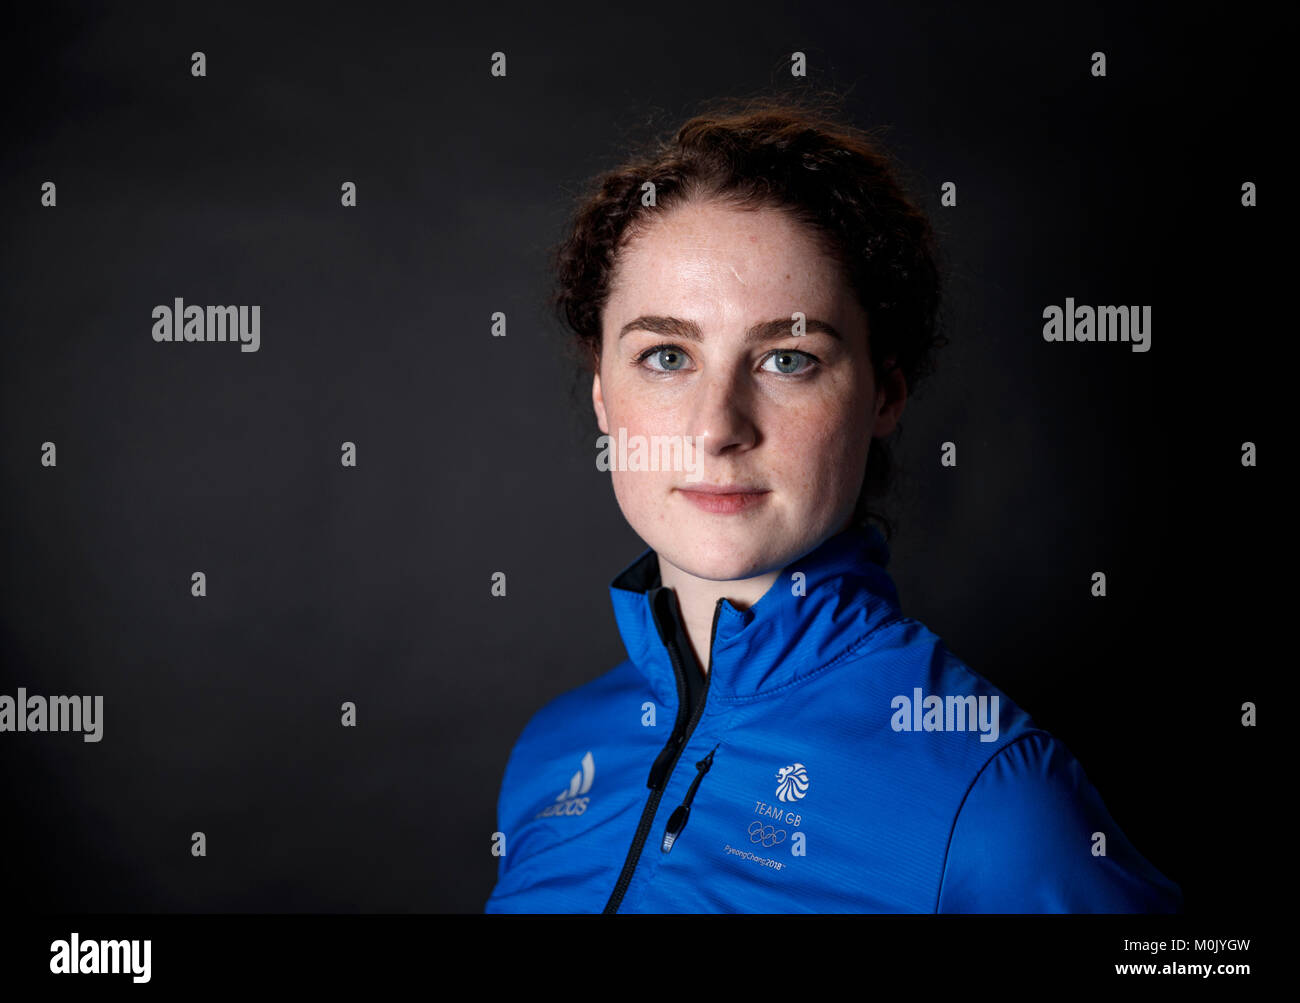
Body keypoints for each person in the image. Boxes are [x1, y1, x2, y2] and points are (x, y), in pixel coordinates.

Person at [484, 95, 1182, 913]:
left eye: (787, 358)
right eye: (667, 354)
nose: (717, 428)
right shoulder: (553, 753)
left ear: (884, 393)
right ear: (604, 392)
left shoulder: (993, 797)